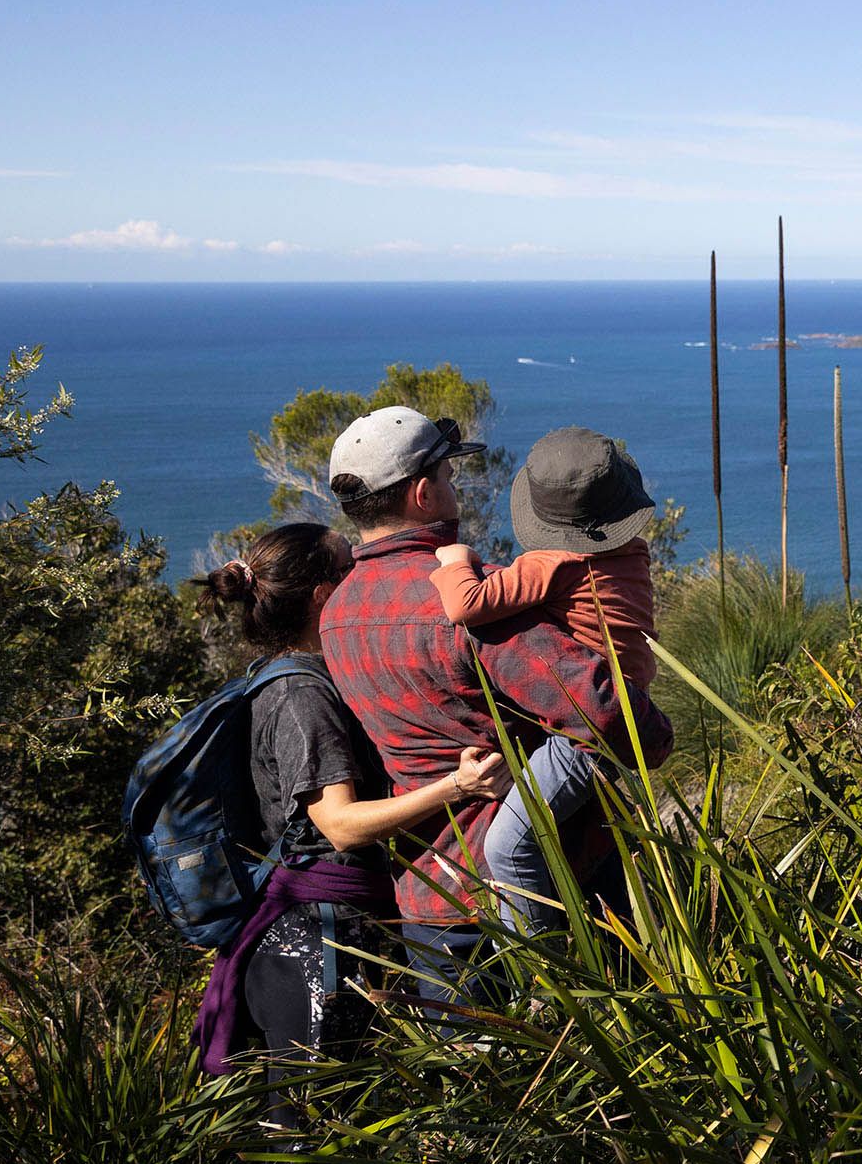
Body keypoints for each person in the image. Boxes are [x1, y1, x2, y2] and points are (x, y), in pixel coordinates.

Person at [317, 406, 671, 1010]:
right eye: (451, 478)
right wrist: (657, 732)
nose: (456, 489)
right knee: (602, 1071)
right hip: (554, 887)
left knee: (475, 1086)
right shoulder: (477, 614)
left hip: (430, 899)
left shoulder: (336, 615)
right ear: (425, 493)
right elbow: (610, 717)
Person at [187, 522, 509, 1101]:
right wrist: (457, 786)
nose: (364, 573)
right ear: (322, 595)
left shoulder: (307, 678)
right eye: (349, 566)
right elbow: (337, 824)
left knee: (321, 1143)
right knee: (308, 1150)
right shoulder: (300, 696)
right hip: (314, 946)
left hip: (322, 935)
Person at [429, 427, 660, 933]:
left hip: (585, 729)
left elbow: (465, 606)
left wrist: (454, 561)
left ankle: (547, 971)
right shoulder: (631, 551)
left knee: (507, 847)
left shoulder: (553, 561)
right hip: (628, 706)